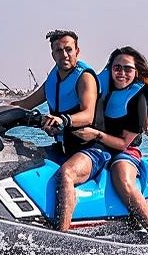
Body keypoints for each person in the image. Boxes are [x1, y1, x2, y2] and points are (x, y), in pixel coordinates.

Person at [71, 46, 148, 242]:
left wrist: (96, 134)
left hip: (125, 151)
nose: (121, 73)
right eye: (117, 68)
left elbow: (124, 143)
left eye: (128, 69)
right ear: (110, 68)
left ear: (136, 71)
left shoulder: (138, 98)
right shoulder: (101, 85)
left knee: (122, 179)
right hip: (97, 148)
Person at [11, 29, 101, 231]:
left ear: (77, 51)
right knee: (21, 158)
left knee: (66, 174)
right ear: (53, 54)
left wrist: (63, 119)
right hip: (62, 148)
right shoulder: (54, 78)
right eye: (59, 50)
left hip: (91, 149)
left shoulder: (84, 77)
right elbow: (26, 103)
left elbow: (88, 115)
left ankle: (62, 233)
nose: (64, 55)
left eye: (69, 49)